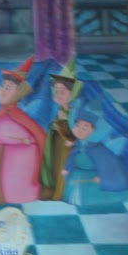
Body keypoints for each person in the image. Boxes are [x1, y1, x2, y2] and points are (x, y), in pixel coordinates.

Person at [0, 59, 47, 205]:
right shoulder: (2, 112)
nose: (3, 90)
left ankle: (15, 197)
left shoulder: (18, 116)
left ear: (18, 92)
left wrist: (20, 140)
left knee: (10, 183)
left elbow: (31, 136)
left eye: (8, 87)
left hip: (17, 159)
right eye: (3, 85)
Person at [38, 57, 83, 202]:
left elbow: (78, 134)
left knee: (62, 169)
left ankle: (60, 193)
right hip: (57, 146)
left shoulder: (75, 112)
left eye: (62, 91)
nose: (58, 94)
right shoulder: (60, 110)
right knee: (55, 167)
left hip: (67, 150)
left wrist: (66, 132)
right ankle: (53, 191)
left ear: (73, 92)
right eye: (56, 90)